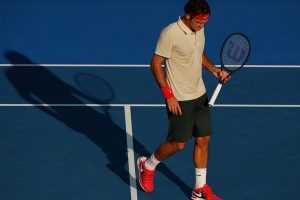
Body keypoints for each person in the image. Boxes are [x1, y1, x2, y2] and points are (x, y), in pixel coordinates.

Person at [137, 0, 230, 199]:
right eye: (199, 22)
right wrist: (168, 96)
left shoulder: (199, 29)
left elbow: (197, 53)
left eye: (205, 23)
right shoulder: (170, 33)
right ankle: (147, 165)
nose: (202, 26)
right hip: (179, 98)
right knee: (178, 144)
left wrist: (214, 69)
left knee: (204, 139)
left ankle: (199, 189)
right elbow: (155, 64)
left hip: (200, 94)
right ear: (188, 16)